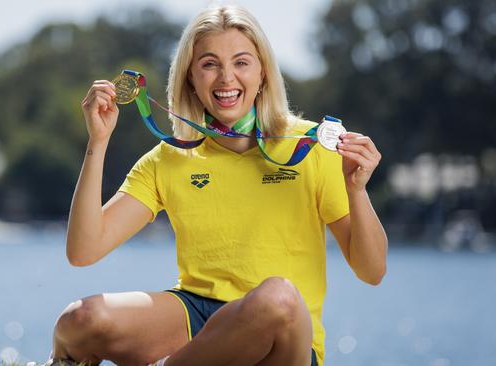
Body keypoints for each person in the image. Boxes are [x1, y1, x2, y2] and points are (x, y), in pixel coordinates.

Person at [49, 5, 387, 366]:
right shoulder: (170, 158)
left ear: (263, 74)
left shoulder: (312, 147)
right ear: (190, 77)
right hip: (198, 316)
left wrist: (357, 190)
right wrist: (97, 142)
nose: (227, 79)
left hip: (281, 332)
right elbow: (83, 251)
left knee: (279, 297)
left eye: (241, 62)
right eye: (210, 64)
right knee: (79, 320)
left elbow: (372, 270)